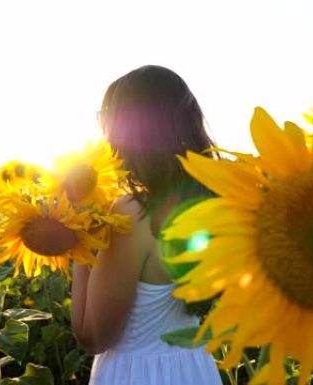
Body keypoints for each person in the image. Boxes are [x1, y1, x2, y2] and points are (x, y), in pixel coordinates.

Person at [71, 65, 223, 385]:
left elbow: (93, 337)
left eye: (107, 119)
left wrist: (81, 245)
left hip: (134, 374)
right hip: (195, 368)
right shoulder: (216, 203)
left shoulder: (133, 214)